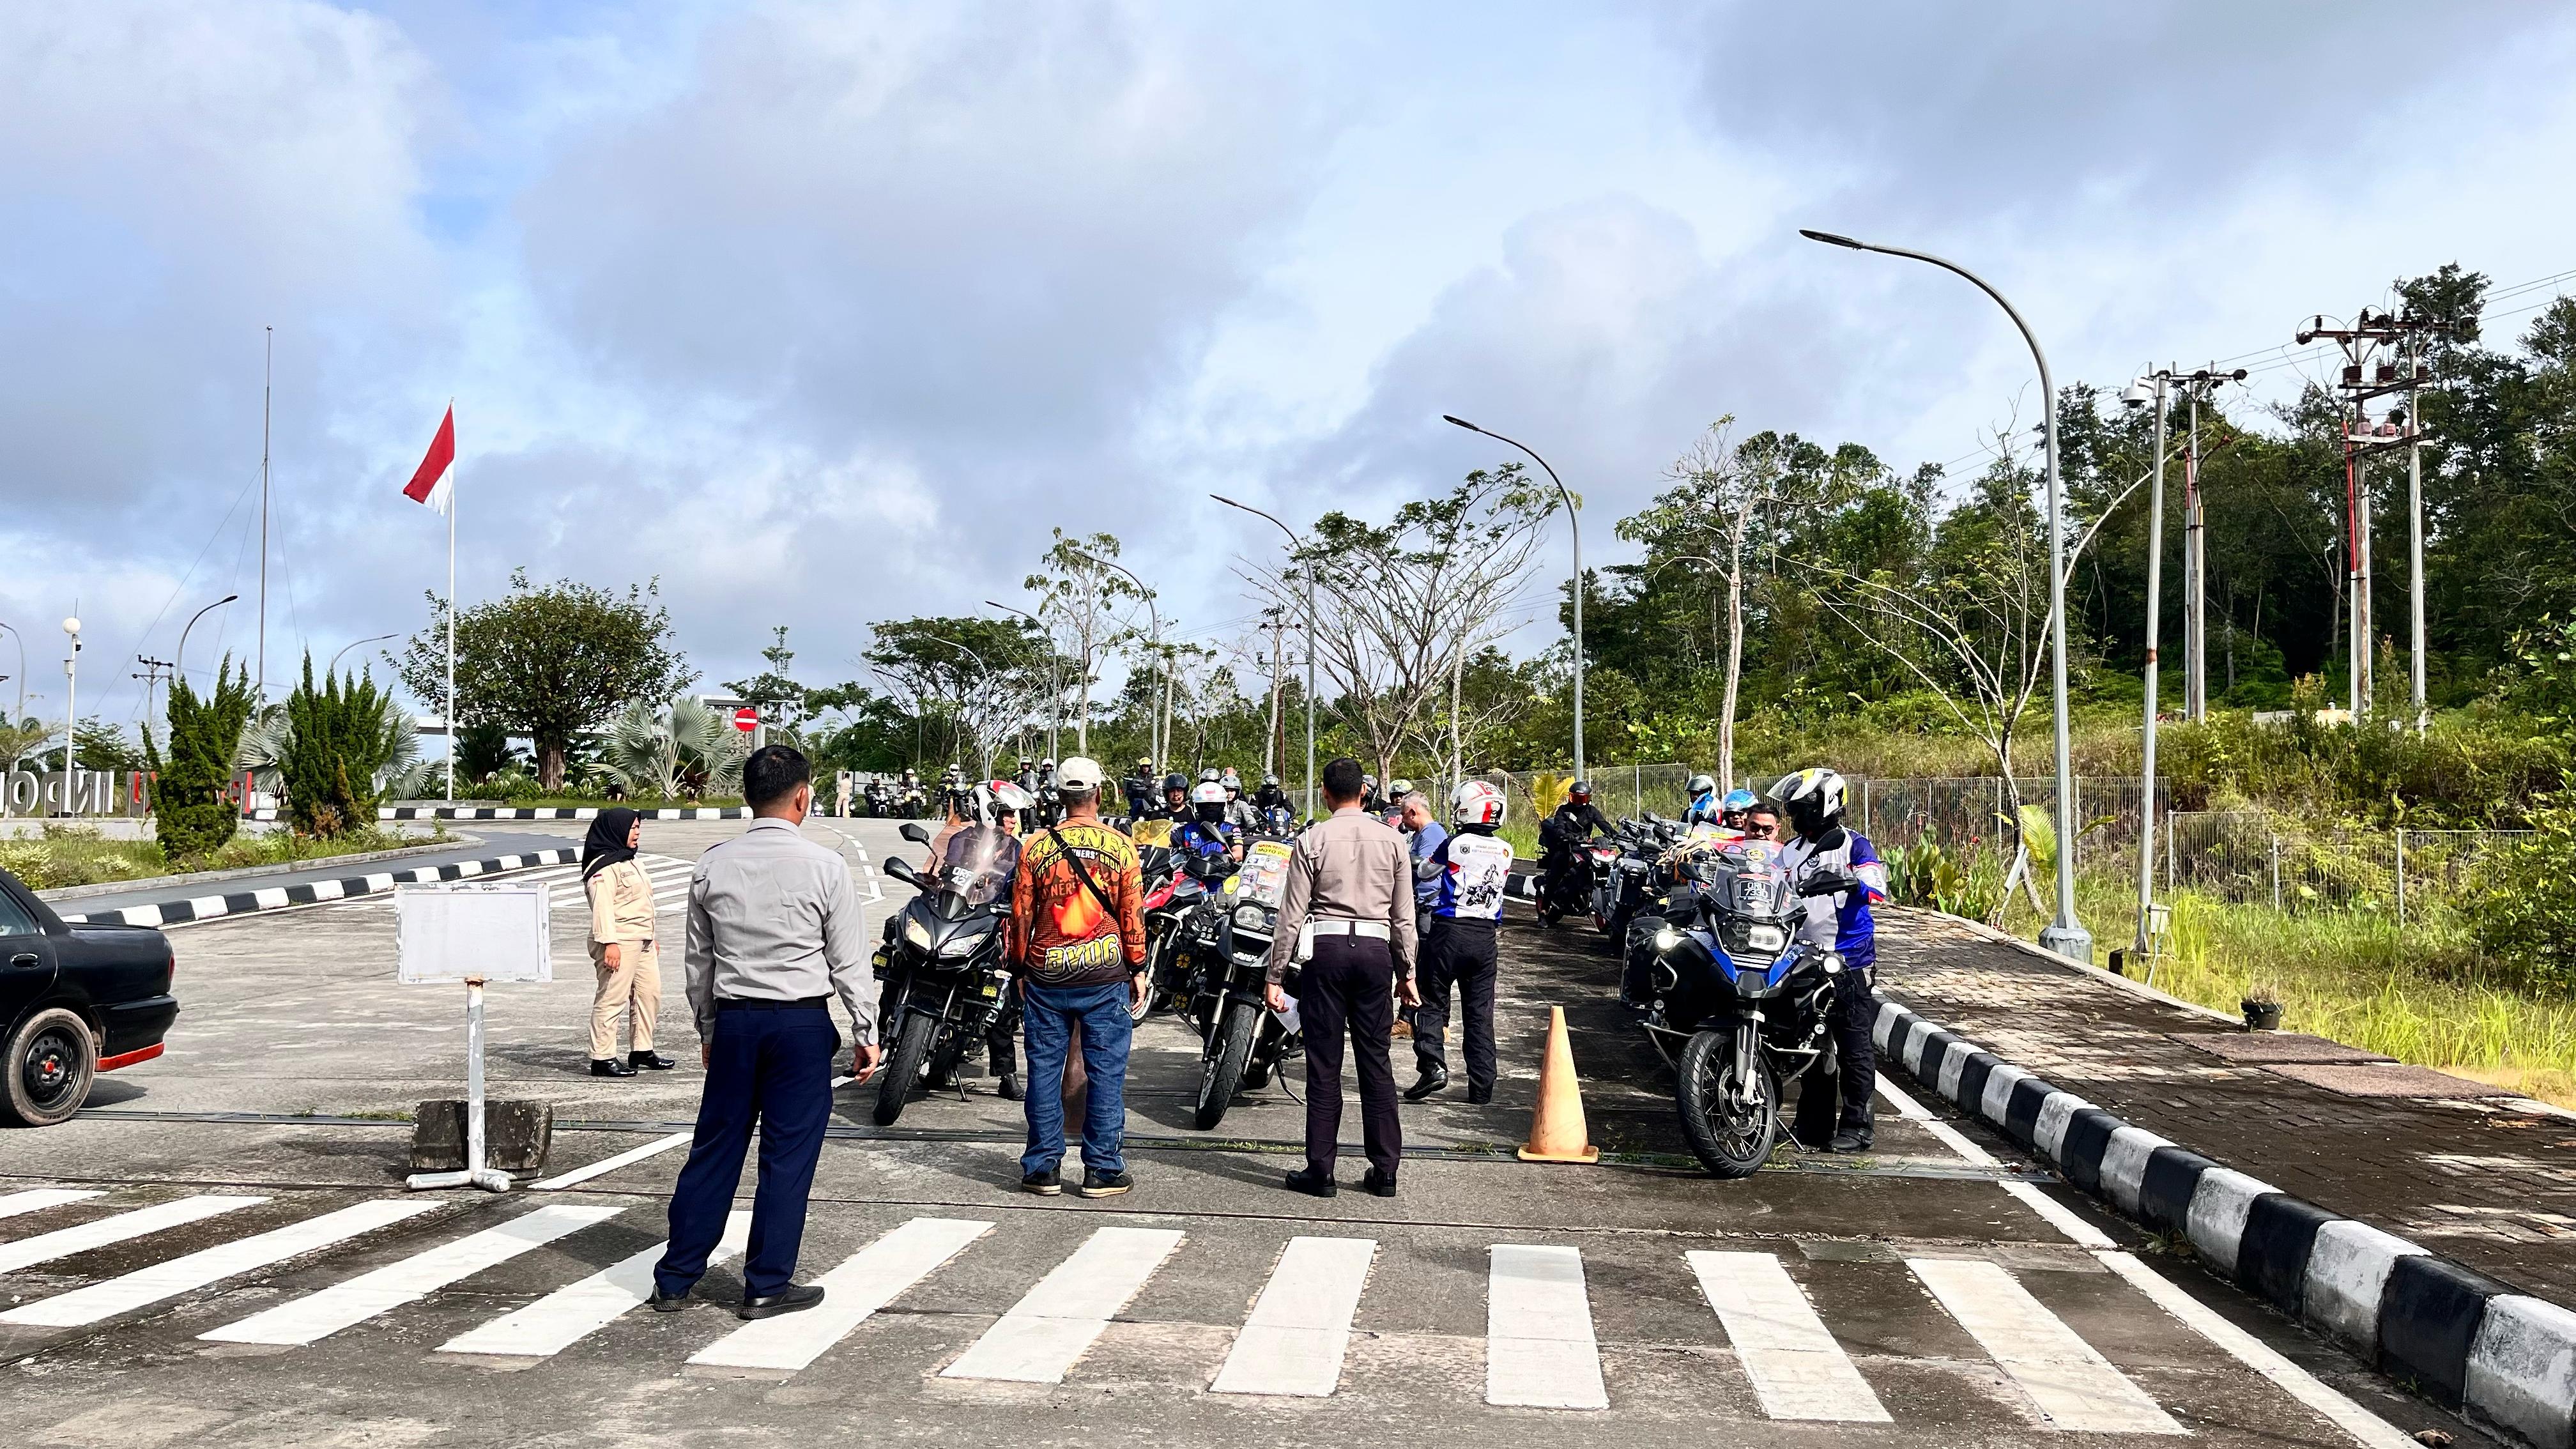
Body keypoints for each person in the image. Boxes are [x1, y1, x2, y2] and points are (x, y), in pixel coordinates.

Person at [652, 745, 878, 1321]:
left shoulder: (713, 864)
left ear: (748, 796)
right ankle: (766, 1285)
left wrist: (707, 1027)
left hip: (735, 1022)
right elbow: (849, 960)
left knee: (714, 1150)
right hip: (801, 1024)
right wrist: (866, 1028)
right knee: (787, 1158)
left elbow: (697, 963)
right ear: (803, 795)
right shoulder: (825, 866)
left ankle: (676, 1278)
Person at [1268, 757, 1416, 1199]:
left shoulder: (1312, 838)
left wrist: (1275, 974)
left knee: (1324, 1065)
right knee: (1376, 1061)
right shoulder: (1393, 841)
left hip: (1326, 952)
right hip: (1376, 953)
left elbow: (1291, 915)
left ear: (1326, 795)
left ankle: (1322, 1171)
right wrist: (1408, 973)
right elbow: (1404, 918)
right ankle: (1386, 1170)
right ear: (1365, 793)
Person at [1008, 756, 1148, 1199]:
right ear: (1099, 795)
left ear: (1060, 798)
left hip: (1046, 974)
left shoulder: (1034, 846)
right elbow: (1132, 915)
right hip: (1105, 975)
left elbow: (1021, 915)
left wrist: (1019, 968)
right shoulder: (1122, 846)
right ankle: (1103, 1168)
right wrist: (1138, 967)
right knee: (1106, 1073)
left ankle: (1042, 1167)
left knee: (1044, 1071)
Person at [1773, 767, 1889, 1153]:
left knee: (1854, 1046)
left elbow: (1877, 889)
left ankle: (1858, 1127)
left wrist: (1851, 882)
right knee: (1810, 1044)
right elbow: (1772, 893)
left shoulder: (1855, 846)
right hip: (1802, 960)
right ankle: (1813, 1123)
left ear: (1826, 805)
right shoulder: (1790, 850)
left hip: (1849, 961)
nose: (1793, 814)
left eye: (1800, 807)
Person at [1407, 781, 1513, 1103]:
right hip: (1485, 938)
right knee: (1480, 1013)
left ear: (1466, 809)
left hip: (1450, 930)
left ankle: (1433, 1066)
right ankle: (1482, 1087)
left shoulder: (1455, 843)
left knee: (1430, 998)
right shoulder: (1507, 849)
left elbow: (1426, 872)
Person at [582, 807, 671, 1077]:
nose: (637, 833)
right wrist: (609, 943)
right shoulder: (603, 868)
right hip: (618, 942)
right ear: (617, 831)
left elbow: (643, 903)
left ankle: (642, 1050)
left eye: (638, 827)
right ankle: (602, 1057)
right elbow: (603, 909)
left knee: (649, 994)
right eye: (632, 828)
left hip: (642, 940)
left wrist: (652, 937)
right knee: (612, 998)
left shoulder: (630, 861)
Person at [1173, 781, 1241, 866]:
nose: (1211, 809)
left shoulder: (1231, 829)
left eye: (1215, 805)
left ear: (1223, 807)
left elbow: (1239, 853)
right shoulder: (1187, 830)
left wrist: (1222, 859)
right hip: (1189, 874)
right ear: (1197, 808)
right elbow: (1165, 842)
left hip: (1219, 875)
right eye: (1205, 805)